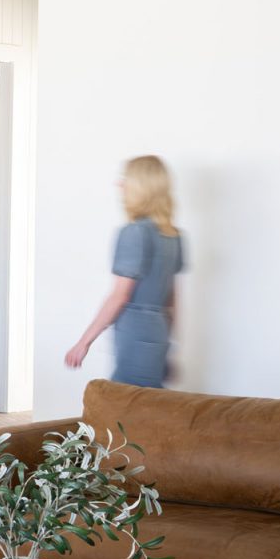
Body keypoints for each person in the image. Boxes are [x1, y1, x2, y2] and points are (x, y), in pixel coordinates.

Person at [65, 155, 184, 388]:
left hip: (135, 332)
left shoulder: (134, 233)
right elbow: (172, 300)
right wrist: (170, 346)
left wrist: (84, 342)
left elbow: (120, 296)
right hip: (159, 331)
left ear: (140, 187)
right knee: (147, 401)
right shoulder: (174, 236)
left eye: (125, 180)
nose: (119, 185)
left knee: (127, 404)